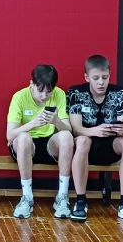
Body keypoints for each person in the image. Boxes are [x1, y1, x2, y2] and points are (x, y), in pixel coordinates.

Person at [66, 54, 123, 224]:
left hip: (111, 144)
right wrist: (94, 131)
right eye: (96, 78)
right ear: (87, 77)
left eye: (105, 77)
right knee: (83, 141)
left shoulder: (119, 93)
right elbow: (76, 129)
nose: (101, 82)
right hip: (87, 145)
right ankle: (80, 201)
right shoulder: (76, 93)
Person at [6, 64, 74, 219]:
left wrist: (56, 121)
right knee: (23, 137)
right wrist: (32, 124)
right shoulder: (19, 97)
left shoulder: (59, 94)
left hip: (49, 145)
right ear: (32, 84)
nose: (44, 96)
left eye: (49, 91)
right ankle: (27, 197)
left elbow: (68, 129)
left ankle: (62, 197)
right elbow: (10, 135)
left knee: (66, 136)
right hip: (25, 146)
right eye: (40, 90)